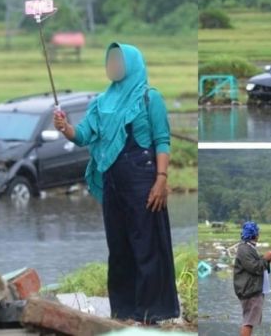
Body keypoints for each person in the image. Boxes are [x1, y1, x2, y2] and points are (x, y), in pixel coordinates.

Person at [53, 42, 179, 324]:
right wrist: (66, 128)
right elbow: (83, 135)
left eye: (118, 61)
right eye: (109, 61)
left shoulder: (149, 98)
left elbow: (162, 141)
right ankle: (123, 312)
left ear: (132, 64)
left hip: (143, 178)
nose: (112, 66)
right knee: (119, 246)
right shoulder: (100, 102)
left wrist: (161, 179)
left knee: (146, 244)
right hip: (112, 179)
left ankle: (149, 313)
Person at [233, 221, 271, 336]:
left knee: (249, 321)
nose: (258, 235)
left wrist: (270, 257)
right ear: (254, 235)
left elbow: (258, 264)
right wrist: (265, 258)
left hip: (254, 289)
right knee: (248, 322)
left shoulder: (249, 248)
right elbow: (255, 267)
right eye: (258, 232)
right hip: (250, 291)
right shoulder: (244, 249)